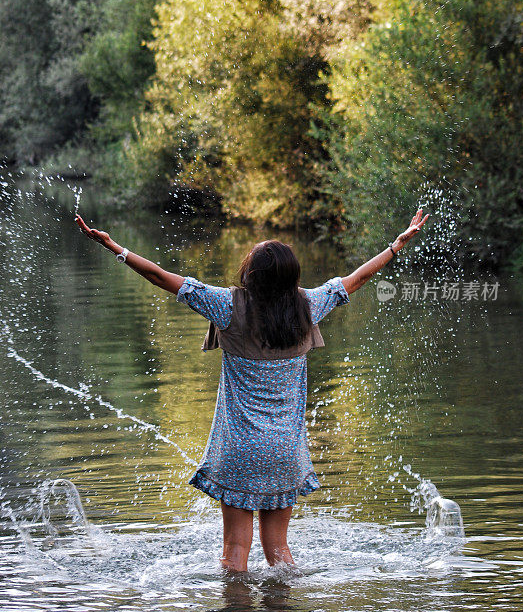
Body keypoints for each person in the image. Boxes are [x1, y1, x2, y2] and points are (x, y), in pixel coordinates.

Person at [76, 209, 428, 573]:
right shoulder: (309, 305)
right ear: (292, 276)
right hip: (285, 452)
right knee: (279, 553)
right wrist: (396, 244)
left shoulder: (227, 306)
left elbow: (158, 276)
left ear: (251, 273)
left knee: (234, 552)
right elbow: (357, 278)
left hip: (239, 451)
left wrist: (113, 246)